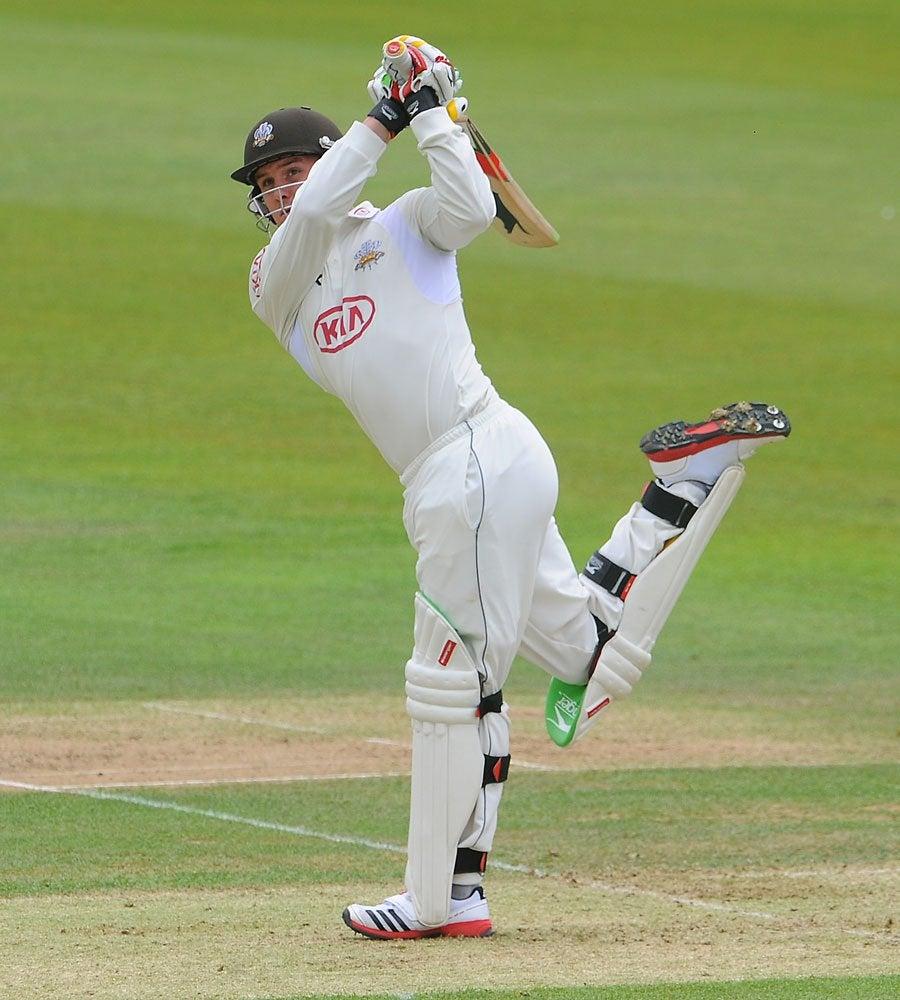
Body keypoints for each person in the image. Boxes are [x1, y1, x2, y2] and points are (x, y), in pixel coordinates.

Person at [230, 36, 790, 940]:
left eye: (297, 166)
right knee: (590, 663)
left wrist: (433, 120)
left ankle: (439, 897)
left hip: (478, 455)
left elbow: (468, 204)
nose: (285, 186)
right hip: (454, 479)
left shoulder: (403, 222)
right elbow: (314, 216)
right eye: (269, 179)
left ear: (329, 159)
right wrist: (389, 113)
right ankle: (683, 486)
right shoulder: (276, 280)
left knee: (451, 682)